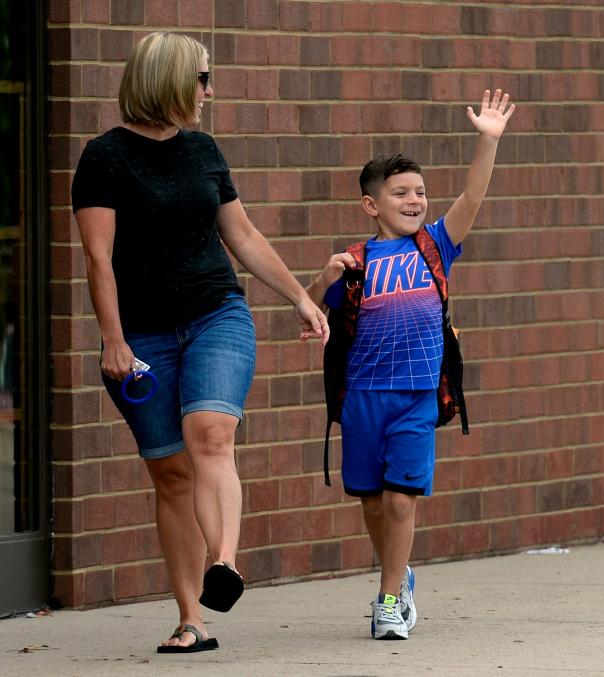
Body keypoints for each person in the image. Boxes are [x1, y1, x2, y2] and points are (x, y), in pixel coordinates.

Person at [71, 32, 329, 654]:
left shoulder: (204, 150)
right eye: (203, 79)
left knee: (211, 432)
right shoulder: (105, 158)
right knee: (170, 474)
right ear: (168, 80)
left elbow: (241, 235)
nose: (210, 91)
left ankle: (224, 564)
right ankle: (193, 617)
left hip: (217, 314)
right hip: (142, 336)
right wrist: (113, 339)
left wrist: (298, 295)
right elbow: (98, 259)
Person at [307, 89, 515, 640]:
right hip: (362, 397)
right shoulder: (356, 262)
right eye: (400, 192)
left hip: (418, 394)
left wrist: (486, 141)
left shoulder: (436, 246)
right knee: (374, 504)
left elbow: (471, 197)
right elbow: (310, 309)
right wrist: (325, 278)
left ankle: (389, 598)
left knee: (401, 500)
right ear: (371, 204)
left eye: (420, 191)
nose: (415, 199)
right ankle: (399, 575)